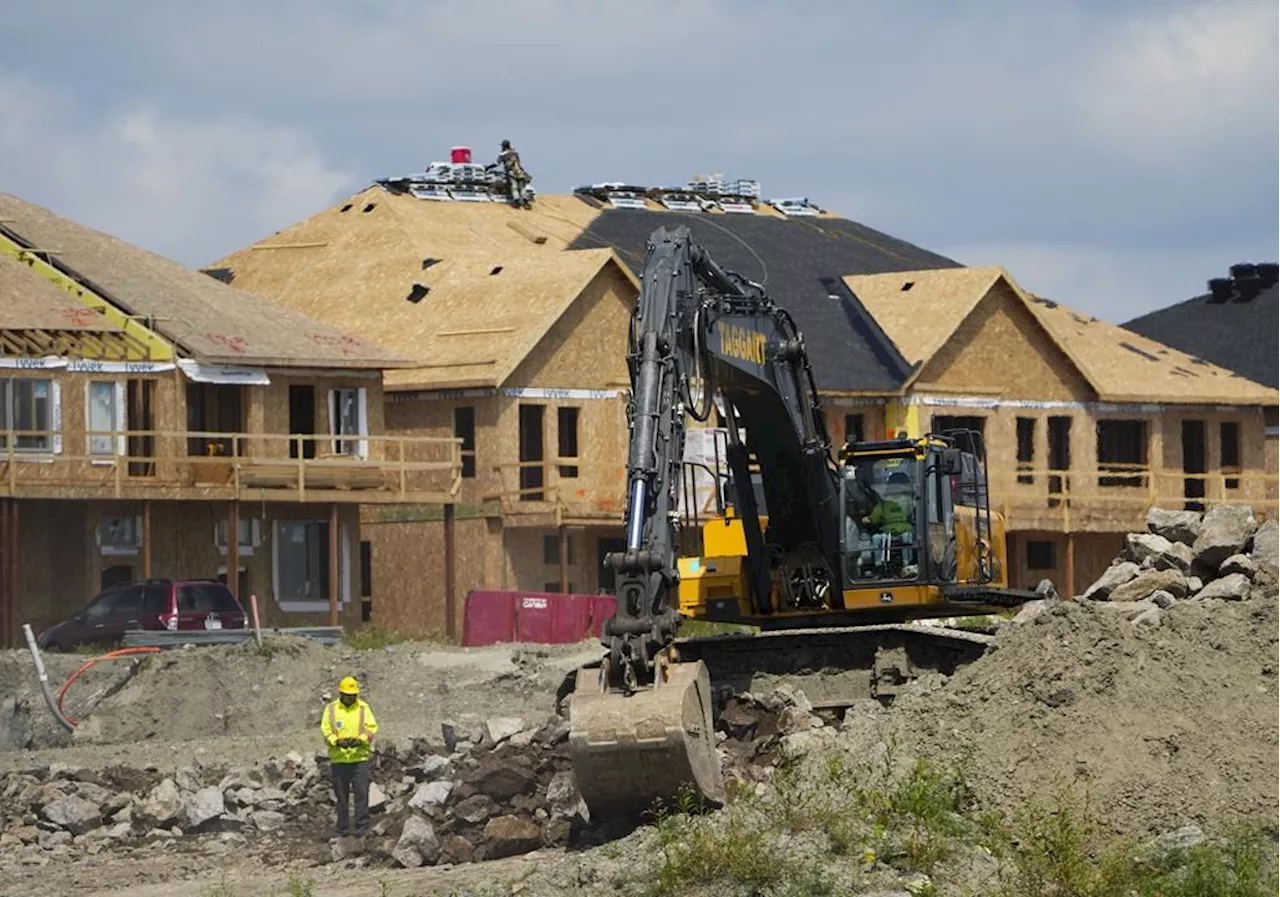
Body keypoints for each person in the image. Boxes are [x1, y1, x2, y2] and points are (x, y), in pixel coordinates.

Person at [320, 676, 378, 837]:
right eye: (348, 694)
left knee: (361, 795)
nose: (352, 697)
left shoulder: (363, 708)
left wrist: (360, 740)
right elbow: (326, 730)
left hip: (359, 759)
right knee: (342, 798)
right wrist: (336, 742)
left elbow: (371, 728)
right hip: (339, 760)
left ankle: (362, 828)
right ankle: (343, 829)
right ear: (341, 693)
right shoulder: (331, 709)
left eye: (354, 695)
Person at [863, 471, 916, 571]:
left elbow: (874, 517)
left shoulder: (884, 503)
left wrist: (867, 519)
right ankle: (907, 563)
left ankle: (879, 565)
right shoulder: (911, 500)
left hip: (888, 533)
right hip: (900, 531)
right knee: (907, 538)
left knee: (876, 539)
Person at [497, 139, 531, 207]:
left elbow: (497, 163)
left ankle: (516, 201)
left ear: (503, 146)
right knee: (522, 187)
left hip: (511, 172)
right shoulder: (515, 153)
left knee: (514, 186)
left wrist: (489, 167)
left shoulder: (502, 154)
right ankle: (525, 200)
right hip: (520, 172)